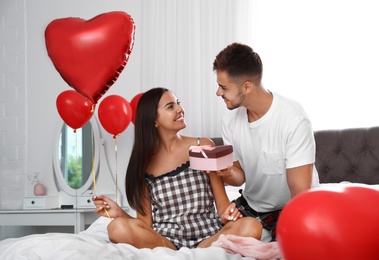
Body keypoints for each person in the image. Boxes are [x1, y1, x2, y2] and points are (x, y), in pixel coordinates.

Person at [93, 87, 262, 250]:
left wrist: (229, 215)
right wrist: (120, 213)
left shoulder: (202, 146)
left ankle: (200, 250)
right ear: (154, 120)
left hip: (209, 236)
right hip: (166, 242)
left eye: (178, 103)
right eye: (170, 106)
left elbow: (222, 205)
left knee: (252, 227)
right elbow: (145, 226)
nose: (180, 109)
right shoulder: (144, 165)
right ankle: (175, 252)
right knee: (116, 228)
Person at [212, 42, 320, 241]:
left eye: (223, 87)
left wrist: (297, 230)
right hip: (252, 204)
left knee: (292, 244)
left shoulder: (293, 119)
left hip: (289, 207)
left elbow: (300, 191)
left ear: (247, 87)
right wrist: (227, 173)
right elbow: (239, 177)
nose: (218, 93)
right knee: (219, 236)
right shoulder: (230, 120)